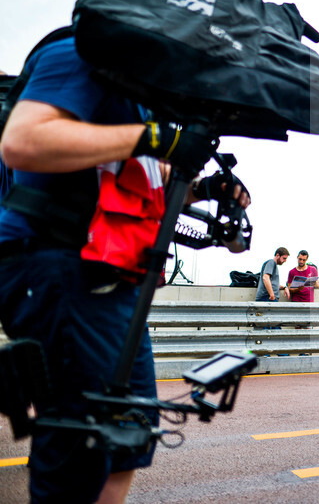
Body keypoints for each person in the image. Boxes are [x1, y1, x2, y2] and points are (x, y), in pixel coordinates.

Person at [0, 35, 249, 504]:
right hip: (65, 268)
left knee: (128, 440)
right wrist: (158, 139)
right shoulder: (79, 51)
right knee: (81, 440)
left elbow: (130, 185)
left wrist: (203, 189)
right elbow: (23, 141)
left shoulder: (138, 96)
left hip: (113, 281)